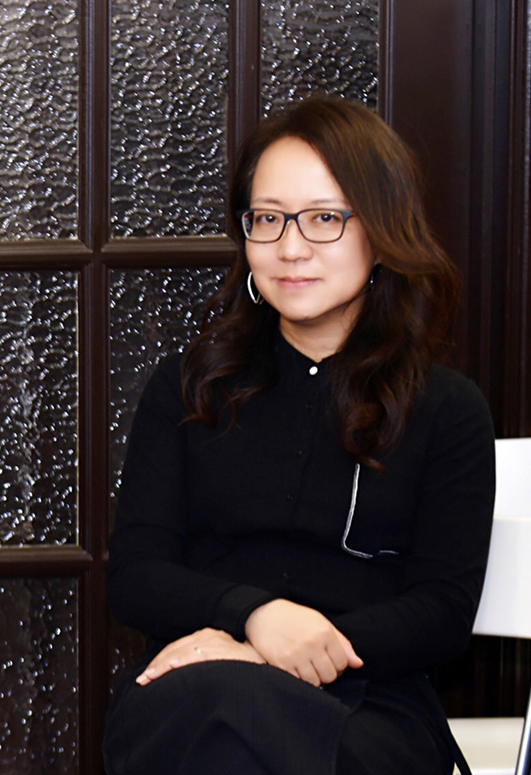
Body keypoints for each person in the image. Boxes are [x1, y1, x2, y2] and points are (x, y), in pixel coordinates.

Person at [103, 95, 495, 775]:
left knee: (229, 733)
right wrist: (252, 614)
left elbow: (441, 613)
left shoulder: (447, 408)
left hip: (369, 703)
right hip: (197, 684)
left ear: (382, 232)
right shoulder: (191, 388)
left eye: (323, 218)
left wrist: (269, 650)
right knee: (217, 718)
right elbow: (136, 575)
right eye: (267, 218)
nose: (290, 247)